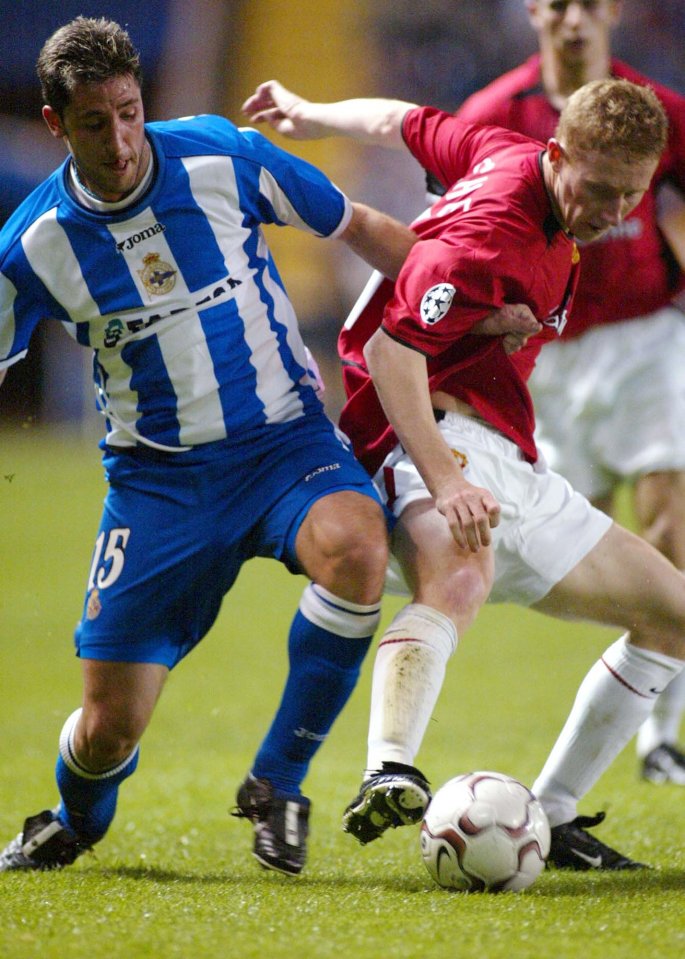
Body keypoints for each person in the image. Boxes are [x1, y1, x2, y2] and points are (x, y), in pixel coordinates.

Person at [0, 16, 424, 878]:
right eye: (93, 123)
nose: (120, 140)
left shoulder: (220, 157)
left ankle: (278, 779)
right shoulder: (34, 247)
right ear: (56, 124)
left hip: (284, 444)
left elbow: (360, 225)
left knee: (357, 545)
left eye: (128, 111)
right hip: (159, 487)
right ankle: (75, 819)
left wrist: (468, 301)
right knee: (106, 726)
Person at [241, 75, 685, 871]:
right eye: (599, 190)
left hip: (502, 447)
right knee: (458, 581)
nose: (613, 214)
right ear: (558, 156)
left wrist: (309, 113)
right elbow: (390, 352)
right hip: (433, 432)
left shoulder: (502, 151)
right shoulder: (490, 233)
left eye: (631, 196)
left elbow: (396, 116)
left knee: (671, 615)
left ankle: (550, 817)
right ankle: (389, 767)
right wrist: (445, 478)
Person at [449, 0, 685, 787]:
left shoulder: (656, 113)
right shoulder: (493, 114)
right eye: (557, 4)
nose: (574, 20)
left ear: (612, 10)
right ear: (531, 12)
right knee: (521, 553)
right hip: (540, 356)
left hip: (645, 341)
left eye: (589, 2)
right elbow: (447, 234)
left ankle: (661, 737)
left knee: (670, 525)